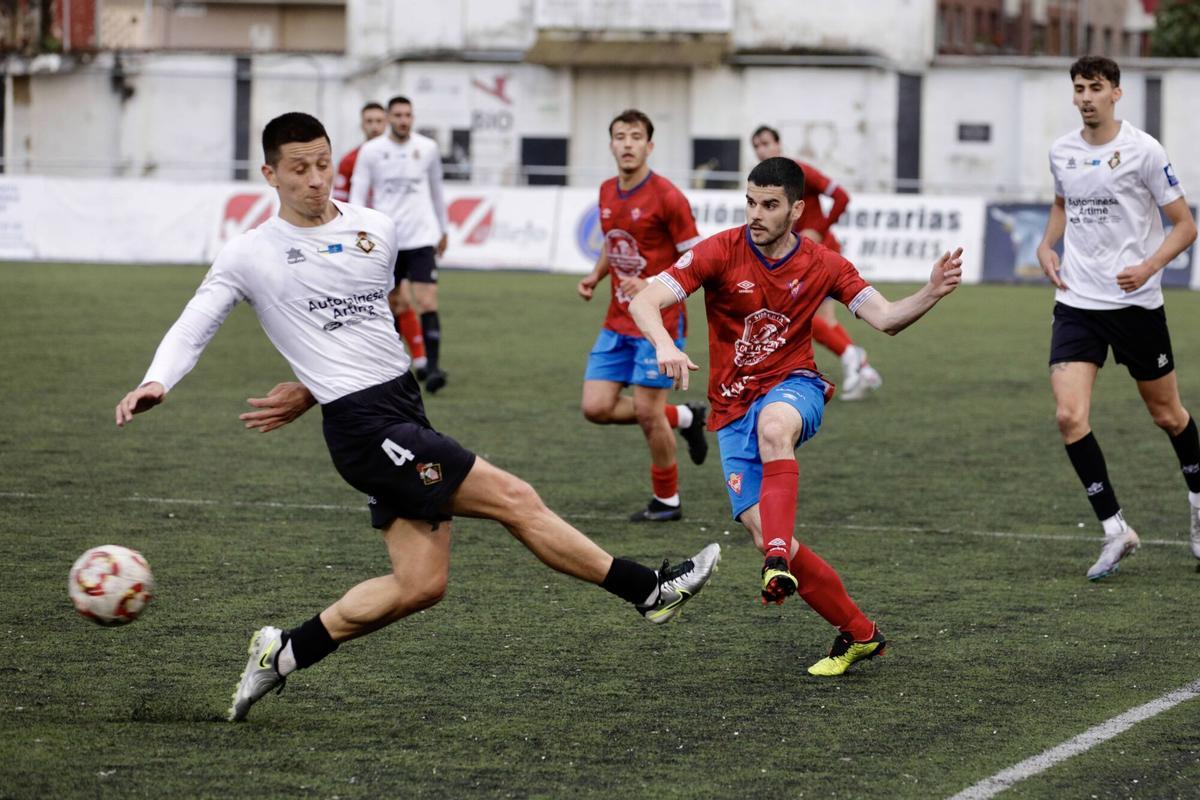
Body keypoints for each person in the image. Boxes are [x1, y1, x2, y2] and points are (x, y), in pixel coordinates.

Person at [114, 112, 722, 722]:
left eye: (323, 164)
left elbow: (360, 325)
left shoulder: (375, 229)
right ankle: (649, 591)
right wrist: (156, 380)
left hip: (402, 403)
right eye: (298, 169)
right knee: (516, 498)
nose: (315, 180)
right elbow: (197, 321)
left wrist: (310, 384)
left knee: (420, 585)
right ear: (270, 174)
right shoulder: (251, 253)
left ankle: (283, 653)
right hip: (365, 430)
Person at [630, 157, 963, 675]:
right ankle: (859, 634)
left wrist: (932, 292)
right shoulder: (719, 250)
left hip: (794, 387)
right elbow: (646, 300)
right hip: (730, 407)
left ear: (797, 209)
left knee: (775, 429)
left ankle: (777, 562)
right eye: (750, 202)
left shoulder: (824, 264)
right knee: (759, 528)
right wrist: (664, 343)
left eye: (769, 205)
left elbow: (887, 318)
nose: (755, 214)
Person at [1035, 56, 1200, 580]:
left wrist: (1149, 266)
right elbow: (1062, 202)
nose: (1085, 97)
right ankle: (1115, 530)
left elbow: (1184, 225)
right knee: (1068, 417)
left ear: (1116, 94)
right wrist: (1046, 244)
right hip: (1078, 302)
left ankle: (1199, 502)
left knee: (1168, 415)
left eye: (1095, 88)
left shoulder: (1144, 151)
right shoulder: (1062, 150)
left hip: (1135, 306)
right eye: (1079, 88)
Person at [576, 109, 710, 523]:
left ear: (649, 146)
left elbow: (697, 256)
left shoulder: (668, 196)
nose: (628, 143)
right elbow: (613, 243)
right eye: (621, 136)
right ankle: (687, 417)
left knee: (650, 414)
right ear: (612, 144)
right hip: (617, 321)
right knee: (595, 407)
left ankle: (667, 501)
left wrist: (652, 280)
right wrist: (596, 276)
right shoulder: (606, 191)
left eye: (636, 136)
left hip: (660, 324)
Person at [750, 125, 882, 401]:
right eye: (757, 145)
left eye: (765, 143)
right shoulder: (764, 182)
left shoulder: (800, 171)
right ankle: (863, 368)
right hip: (801, 255)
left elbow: (841, 197)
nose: (761, 149)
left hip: (817, 253)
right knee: (823, 320)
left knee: (801, 316)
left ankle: (851, 355)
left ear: (778, 144)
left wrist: (819, 228)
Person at [350, 96, 450, 393]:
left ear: (413, 118)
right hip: (386, 238)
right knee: (393, 304)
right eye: (398, 115)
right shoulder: (371, 151)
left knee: (428, 300)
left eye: (408, 115)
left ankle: (432, 370)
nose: (403, 120)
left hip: (421, 237)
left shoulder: (427, 149)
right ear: (389, 118)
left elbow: (437, 190)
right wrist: (360, 233)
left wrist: (443, 230)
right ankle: (394, 370)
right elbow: (358, 193)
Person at [334, 101, 429, 375]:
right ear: (362, 124)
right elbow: (340, 201)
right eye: (369, 121)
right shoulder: (350, 160)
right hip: (361, 239)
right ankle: (380, 358)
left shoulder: (400, 157)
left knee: (397, 296)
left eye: (379, 121)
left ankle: (419, 360)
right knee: (369, 299)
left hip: (392, 237)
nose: (375, 126)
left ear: (385, 122)